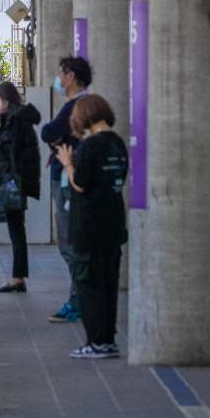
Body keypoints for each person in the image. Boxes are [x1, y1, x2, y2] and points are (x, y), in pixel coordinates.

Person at [56, 93, 128, 359]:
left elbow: (80, 183)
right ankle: (107, 340)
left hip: (89, 227)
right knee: (109, 286)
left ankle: (95, 342)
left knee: (89, 285)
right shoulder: (118, 144)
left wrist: (67, 163)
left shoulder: (89, 146)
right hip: (114, 224)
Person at [39, 56, 92, 322]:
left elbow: (49, 132)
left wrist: (57, 137)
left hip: (68, 179)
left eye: (60, 74)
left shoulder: (76, 106)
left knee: (70, 245)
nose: (58, 80)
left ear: (70, 76)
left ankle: (78, 301)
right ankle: (81, 299)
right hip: (74, 178)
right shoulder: (88, 105)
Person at [0, 81, 42, 293]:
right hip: (13, 180)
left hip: (13, 181)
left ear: (6, 100)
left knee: (16, 231)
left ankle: (17, 279)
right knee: (17, 230)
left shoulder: (17, 121)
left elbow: (12, 150)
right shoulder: (16, 120)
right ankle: (18, 277)